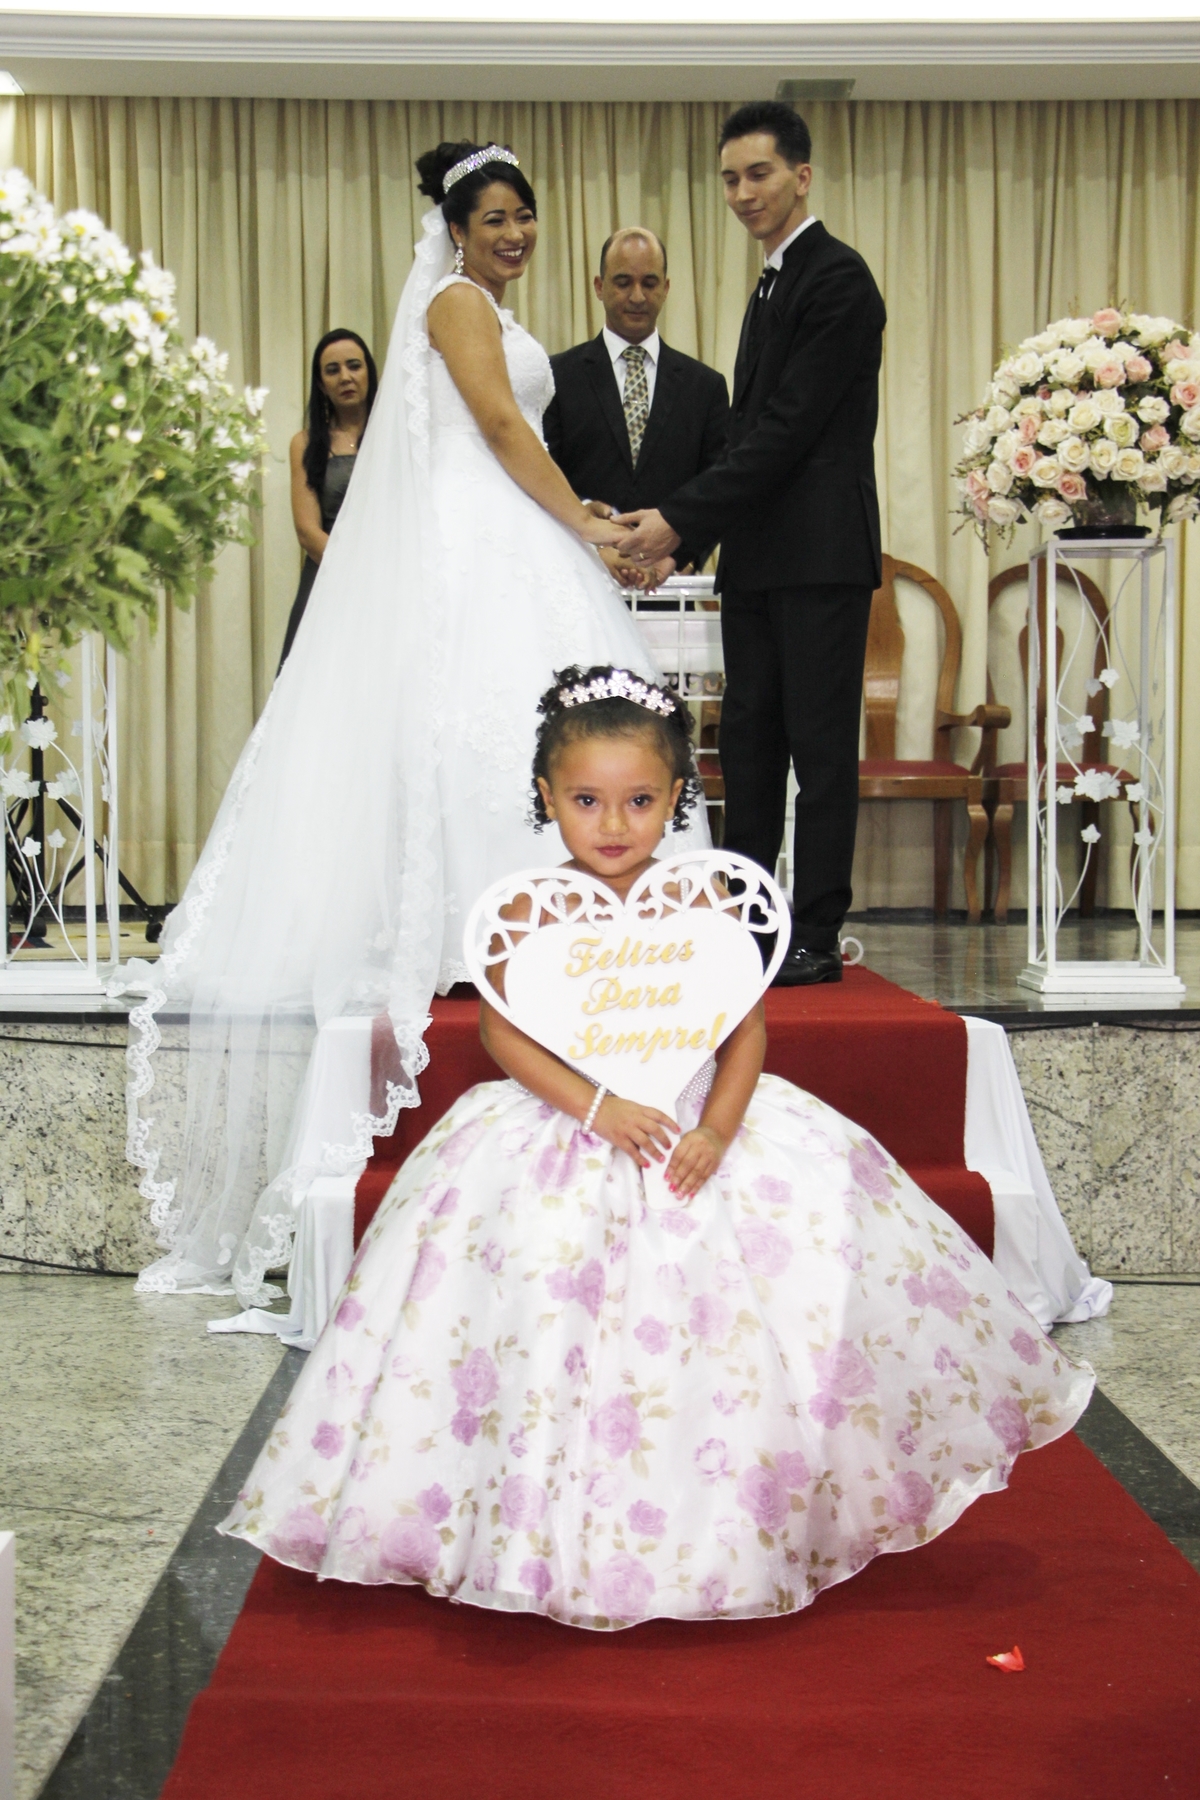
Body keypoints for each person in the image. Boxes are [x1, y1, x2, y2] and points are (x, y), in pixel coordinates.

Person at [220, 664, 1092, 1628]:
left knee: (753, 1296)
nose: (612, 824)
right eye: (586, 800)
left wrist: (718, 1126)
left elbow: (742, 1028)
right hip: (570, 1125)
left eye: (639, 800)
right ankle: (523, 1517)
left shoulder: (701, 905)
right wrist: (596, 1108)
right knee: (544, 1294)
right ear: (546, 797)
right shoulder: (528, 914)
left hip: (693, 1120)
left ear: (678, 799)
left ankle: (735, 1512)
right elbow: (503, 1034)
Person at [127, 142, 706, 1311]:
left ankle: (573, 919)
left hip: (509, 524)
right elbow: (499, 431)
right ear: (453, 228)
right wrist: (591, 534)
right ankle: (484, 929)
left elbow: (513, 445)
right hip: (478, 539)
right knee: (489, 723)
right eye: (494, 217)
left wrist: (574, 515)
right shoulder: (452, 303)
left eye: (526, 217)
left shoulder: (476, 305)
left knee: (535, 724)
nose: (514, 234)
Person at [618, 102, 886, 988]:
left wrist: (679, 519)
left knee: (818, 747)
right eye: (730, 178)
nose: (741, 193)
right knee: (751, 745)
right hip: (762, 559)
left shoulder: (837, 279)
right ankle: (749, 917)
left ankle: (813, 932)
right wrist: (683, 543)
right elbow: (744, 443)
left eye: (758, 174)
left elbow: (786, 433)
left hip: (821, 557)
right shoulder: (772, 282)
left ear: (801, 176)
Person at [544, 228, 729, 591]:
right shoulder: (555, 377)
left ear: (666, 287)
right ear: (598, 286)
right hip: (579, 585)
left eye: (649, 282)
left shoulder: (705, 387)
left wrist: (678, 558)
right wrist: (589, 527)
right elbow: (541, 473)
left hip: (672, 593)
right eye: (623, 282)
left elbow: (717, 488)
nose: (637, 296)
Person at [278, 329, 378, 672]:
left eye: (354, 366)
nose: (346, 377)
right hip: (327, 577)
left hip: (390, 578)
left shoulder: (399, 437)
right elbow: (307, 532)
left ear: (370, 373)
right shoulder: (304, 443)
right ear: (320, 384)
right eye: (332, 370)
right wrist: (357, 572)